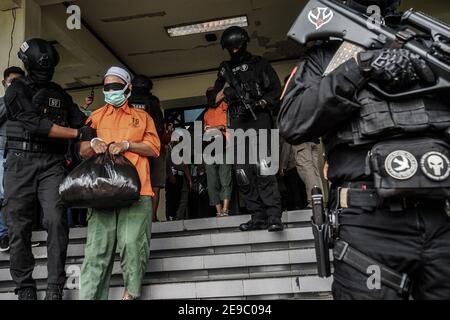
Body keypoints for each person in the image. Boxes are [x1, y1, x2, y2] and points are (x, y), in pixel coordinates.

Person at [278, 0, 450, 300]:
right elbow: (294, 121)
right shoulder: (329, 56)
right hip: (368, 219)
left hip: (441, 213)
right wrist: (359, 67)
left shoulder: (431, 47)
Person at [3, 39, 96, 300]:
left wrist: (94, 132)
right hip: (21, 162)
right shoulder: (16, 89)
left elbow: (83, 120)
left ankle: (54, 287)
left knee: (56, 220)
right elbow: (36, 124)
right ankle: (25, 288)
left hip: (51, 163)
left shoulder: (59, 94)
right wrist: (78, 133)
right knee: (18, 225)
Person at [79, 67, 160, 300]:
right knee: (97, 251)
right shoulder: (95, 116)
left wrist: (127, 145)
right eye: (107, 87)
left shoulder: (142, 117)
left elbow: (154, 148)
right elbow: (82, 149)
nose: (111, 91)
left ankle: (131, 294)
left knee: (133, 245)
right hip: (102, 191)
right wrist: (93, 143)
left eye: (116, 86)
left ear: (128, 88)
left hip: (137, 190)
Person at [212, 26, 283, 232]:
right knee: (243, 173)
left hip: (259, 120)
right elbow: (212, 100)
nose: (234, 51)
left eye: (238, 46)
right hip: (237, 124)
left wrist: (259, 103)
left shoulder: (259, 64)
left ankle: (273, 216)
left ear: (244, 44)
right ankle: (257, 216)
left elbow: (275, 92)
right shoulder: (225, 68)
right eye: (230, 48)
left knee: (264, 169)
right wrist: (227, 90)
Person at [129, 75, 166, 222]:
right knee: (155, 185)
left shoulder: (126, 103)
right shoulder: (153, 103)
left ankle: (134, 217)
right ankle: (152, 217)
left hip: (130, 149)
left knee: (131, 182)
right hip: (150, 148)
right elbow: (159, 128)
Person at [0, 67, 25, 252]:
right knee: (3, 195)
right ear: (4, 83)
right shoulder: (2, 103)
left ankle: (18, 235)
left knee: (19, 195)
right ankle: (4, 235)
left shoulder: (28, 103)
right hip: (2, 152)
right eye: (13, 82)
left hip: (22, 153)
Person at [204, 87, 232, 217]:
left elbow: (229, 126)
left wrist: (216, 128)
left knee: (225, 179)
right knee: (212, 182)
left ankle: (225, 210)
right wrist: (218, 127)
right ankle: (218, 211)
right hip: (210, 149)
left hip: (225, 147)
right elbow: (205, 130)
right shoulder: (207, 113)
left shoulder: (225, 106)